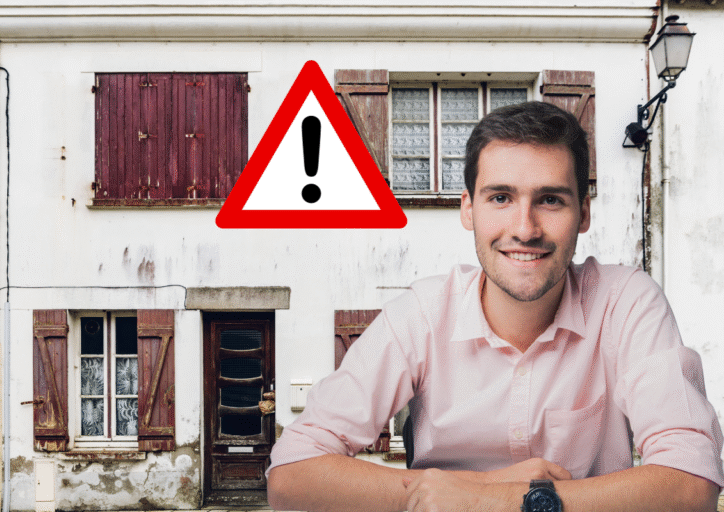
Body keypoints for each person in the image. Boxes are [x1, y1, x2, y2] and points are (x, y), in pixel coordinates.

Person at [266, 101, 724, 512]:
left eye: (550, 200)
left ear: (584, 213)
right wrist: (431, 492)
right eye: (500, 197)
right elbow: (290, 474)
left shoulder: (627, 302)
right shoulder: (422, 314)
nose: (524, 228)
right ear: (468, 208)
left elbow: (692, 481)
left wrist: (505, 499)